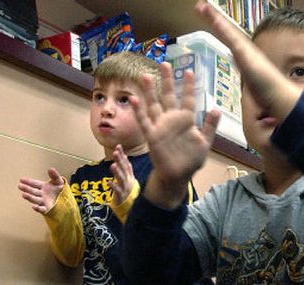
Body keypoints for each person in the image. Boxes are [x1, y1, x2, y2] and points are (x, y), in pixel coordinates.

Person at [120, 1, 304, 284]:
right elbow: (150, 271)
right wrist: (164, 186)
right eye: (255, 77)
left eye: (299, 71)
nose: (267, 90)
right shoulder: (223, 204)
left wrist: (289, 104)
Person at [18, 51, 198, 284]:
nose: (106, 109)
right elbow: (72, 256)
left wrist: (131, 201)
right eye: (99, 96)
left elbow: (174, 256)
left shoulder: (168, 176)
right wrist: (59, 211)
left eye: (123, 100)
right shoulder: (83, 177)